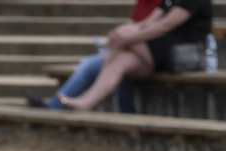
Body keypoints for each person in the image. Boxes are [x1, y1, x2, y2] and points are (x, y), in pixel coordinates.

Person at [58, 0, 213, 111]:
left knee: (123, 39)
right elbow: (146, 23)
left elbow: (164, 26)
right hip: (162, 51)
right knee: (121, 61)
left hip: (182, 54)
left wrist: (128, 38)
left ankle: (105, 61)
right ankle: (87, 102)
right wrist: (121, 32)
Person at [26, 0, 162, 113]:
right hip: (129, 49)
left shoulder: (165, 4)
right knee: (90, 63)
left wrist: (126, 37)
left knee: (119, 63)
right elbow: (133, 25)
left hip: (149, 53)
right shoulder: (143, 2)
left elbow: (155, 29)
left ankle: (124, 112)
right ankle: (54, 105)